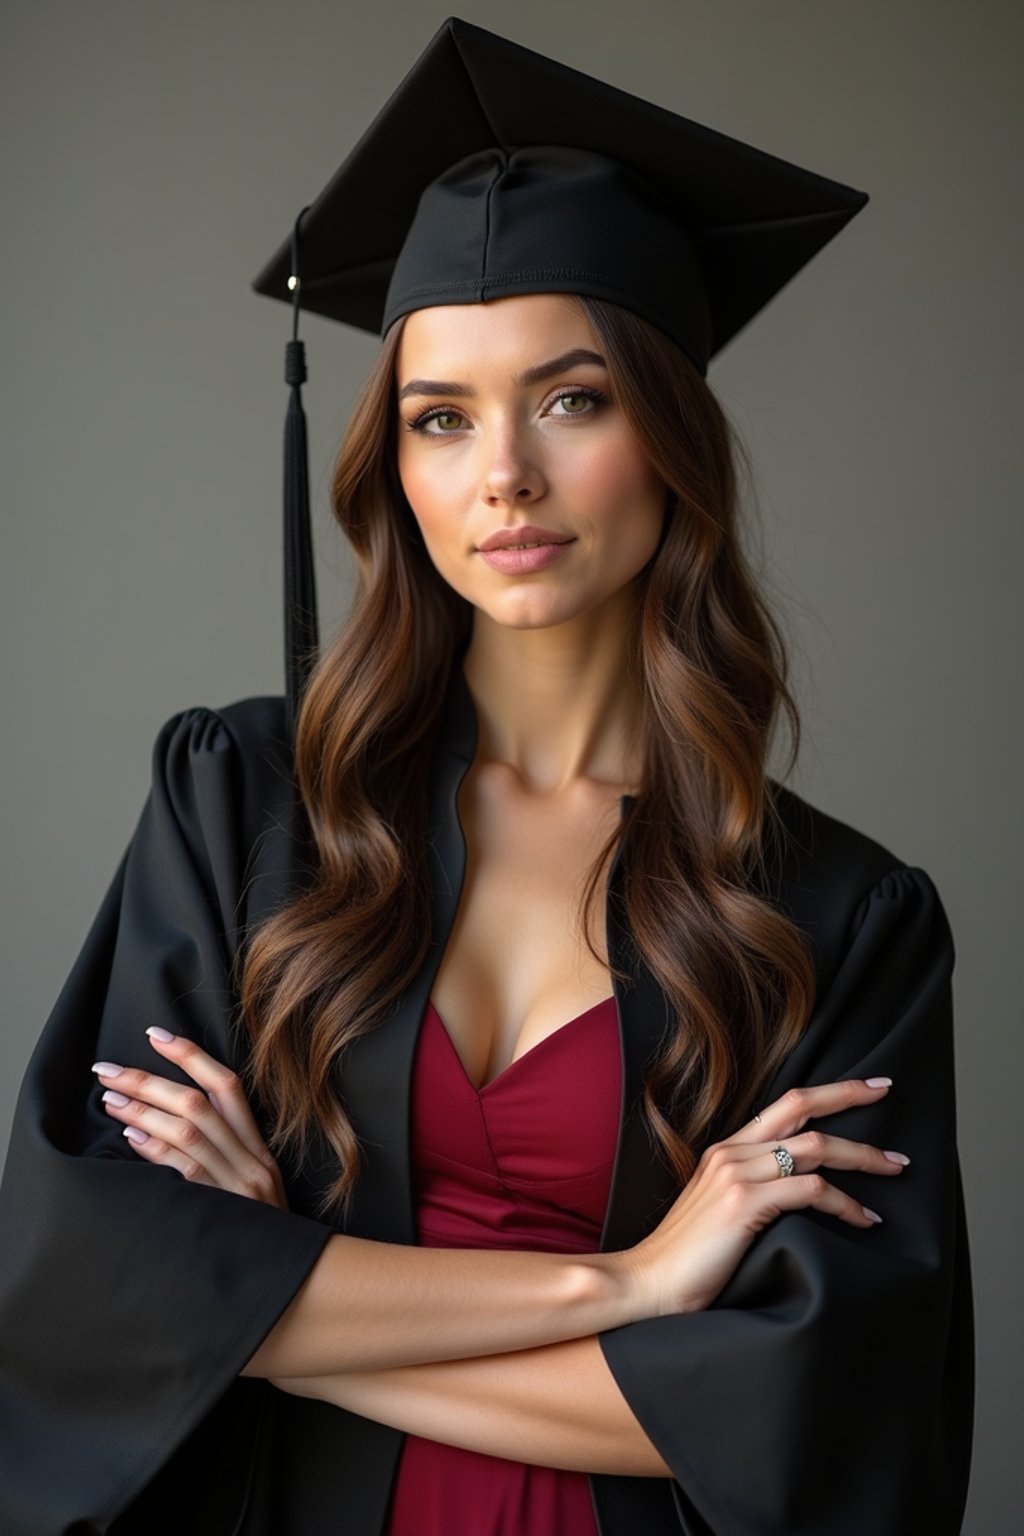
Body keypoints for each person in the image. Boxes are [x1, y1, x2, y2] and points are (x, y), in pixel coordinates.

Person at [0, 16, 973, 1536]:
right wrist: (637, 1285)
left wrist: (270, 1306)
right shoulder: (247, 807)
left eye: (571, 399)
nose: (503, 472)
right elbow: (96, 1281)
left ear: (670, 437)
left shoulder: (836, 919)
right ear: (394, 467)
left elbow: (804, 1407)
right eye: (439, 419)